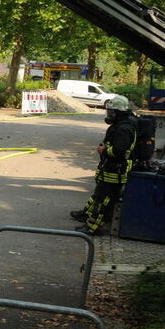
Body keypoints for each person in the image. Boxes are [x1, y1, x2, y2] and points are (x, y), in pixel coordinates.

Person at [71, 95, 137, 236]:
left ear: (118, 112)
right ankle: (87, 216)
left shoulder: (124, 128)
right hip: (111, 167)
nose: (109, 114)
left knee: (105, 199)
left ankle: (94, 227)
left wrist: (104, 150)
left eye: (111, 111)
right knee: (99, 194)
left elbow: (119, 151)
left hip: (116, 170)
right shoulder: (121, 124)